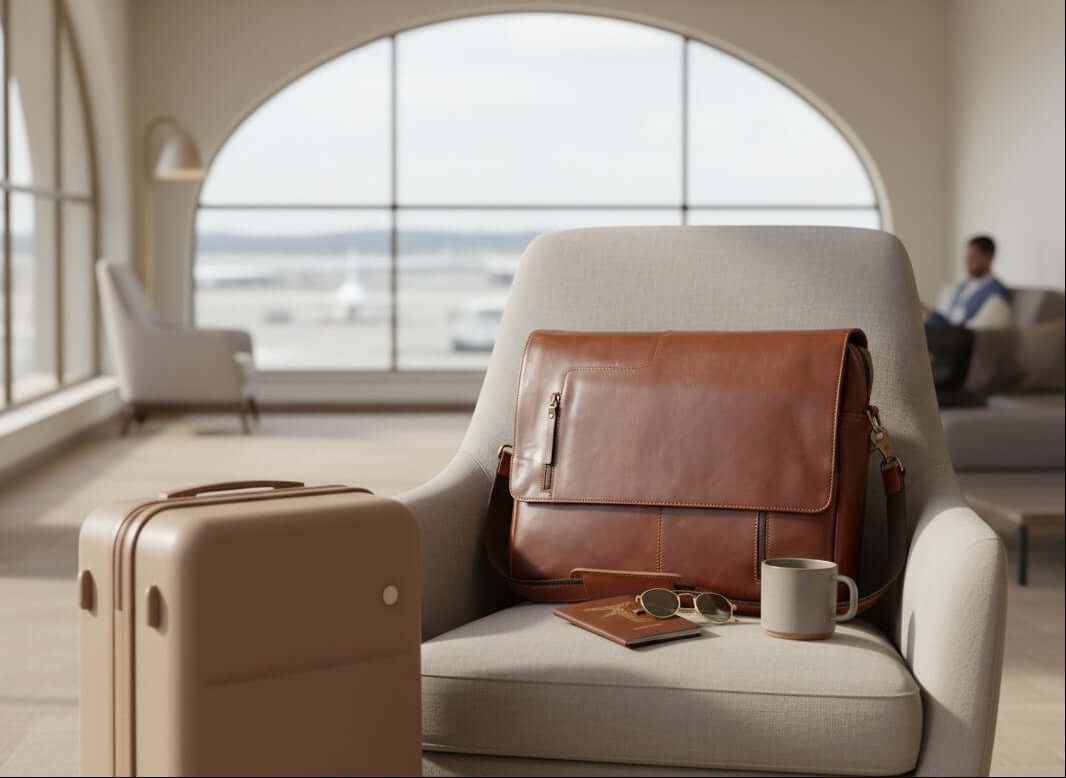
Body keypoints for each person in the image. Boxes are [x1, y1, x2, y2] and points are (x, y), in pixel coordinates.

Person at [924, 235, 1012, 329]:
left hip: (962, 335)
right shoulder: (960, 288)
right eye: (967, 257)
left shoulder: (997, 293)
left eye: (973, 256)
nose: (968, 261)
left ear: (989, 257)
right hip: (946, 331)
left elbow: (977, 330)